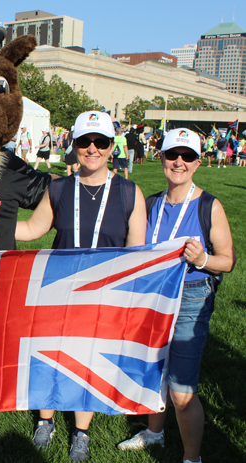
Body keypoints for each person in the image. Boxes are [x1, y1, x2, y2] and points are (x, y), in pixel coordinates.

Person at [15, 110, 146, 461]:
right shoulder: (58, 187)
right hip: (57, 288)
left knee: (87, 361)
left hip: (103, 294)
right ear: (73, 145)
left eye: (100, 142)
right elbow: (32, 230)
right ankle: (45, 421)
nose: (92, 149)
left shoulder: (129, 193)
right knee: (48, 355)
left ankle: (82, 432)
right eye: (85, 141)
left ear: (110, 148)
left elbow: (138, 254)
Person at [117, 128, 236, 463]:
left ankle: (192, 458)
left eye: (187, 156)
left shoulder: (210, 206)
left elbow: (228, 260)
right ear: (161, 159)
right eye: (172, 155)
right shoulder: (150, 203)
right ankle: (154, 434)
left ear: (198, 163)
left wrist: (203, 260)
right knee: (154, 373)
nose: (179, 162)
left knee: (182, 389)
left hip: (190, 297)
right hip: (153, 296)